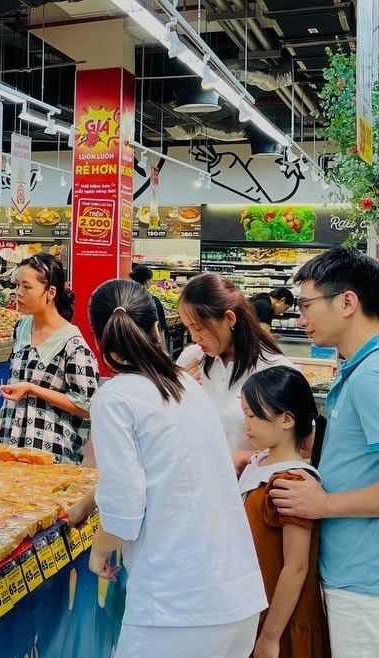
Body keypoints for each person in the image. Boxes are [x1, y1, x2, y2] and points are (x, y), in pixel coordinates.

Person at [269, 247, 379, 658]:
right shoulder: (366, 366)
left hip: (370, 580)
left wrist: (323, 503)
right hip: (360, 571)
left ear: (347, 302)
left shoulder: (375, 375)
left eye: (308, 304)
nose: (300, 317)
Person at [87, 278, 266, 658]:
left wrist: (100, 550)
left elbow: (125, 505)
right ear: (157, 328)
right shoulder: (186, 385)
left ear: (98, 337)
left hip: (178, 605)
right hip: (238, 592)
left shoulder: (115, 398)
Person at [238, 366, 330, 658]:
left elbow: (296, 566)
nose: (246, 425)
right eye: (244, 414)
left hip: (280, 621)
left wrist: (270, 636)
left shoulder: (292, 480)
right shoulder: (260, 463)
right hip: (255, 605)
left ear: (287, 419)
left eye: (253, 416)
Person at [0, 253, 99, 465]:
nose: (18, 293)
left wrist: (33, 389)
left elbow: (87, 406)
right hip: (10, 446)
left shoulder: (73, 344)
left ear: (50, 292)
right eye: (17, 286)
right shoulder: (21, 328)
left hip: (50, 452)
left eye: (27, 287)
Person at [176, 273, 293, 454]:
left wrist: (250, 459)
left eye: (199, 328)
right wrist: (174, 391)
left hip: (248, 480)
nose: (193, 337)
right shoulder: (191, 359)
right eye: (188, 328)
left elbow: (300, 446)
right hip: (194, 478)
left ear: (229, 319)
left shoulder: (274, 368)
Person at [128, 264, 168, 349]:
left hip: (129, 347)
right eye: (151, 280)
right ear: (147, 281)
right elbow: (160, 330)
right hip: (149, 349)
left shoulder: (125, 300)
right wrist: (164, 353)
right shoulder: (153, 301)